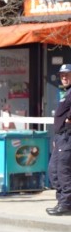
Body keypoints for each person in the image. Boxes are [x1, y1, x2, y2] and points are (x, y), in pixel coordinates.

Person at [46, 64, 71, 216]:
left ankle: (66, 204)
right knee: (53, 171)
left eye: (67, 75)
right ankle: (62, 201)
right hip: (61, 137)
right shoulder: (66, 92)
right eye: (62, 75)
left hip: (67, 137)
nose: (64, 78)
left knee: (63, 172)